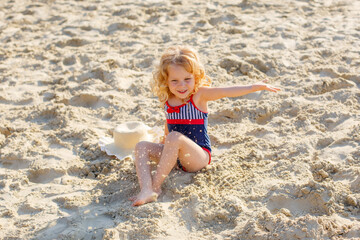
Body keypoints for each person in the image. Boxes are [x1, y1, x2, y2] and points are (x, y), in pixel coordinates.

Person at [130, 46, 280, 206]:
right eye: (174, 81)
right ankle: (145, 188)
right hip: (175, 156)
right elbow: (169, 123)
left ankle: (155, 187)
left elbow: (226, 92)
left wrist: (252, 87)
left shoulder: (200, 95)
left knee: (174, 138)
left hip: (198, 157)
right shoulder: (167, 99)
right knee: (141, 146)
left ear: (195, 77)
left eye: (187, 79)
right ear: (166, 81)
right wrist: (164, 142)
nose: (181, 86)